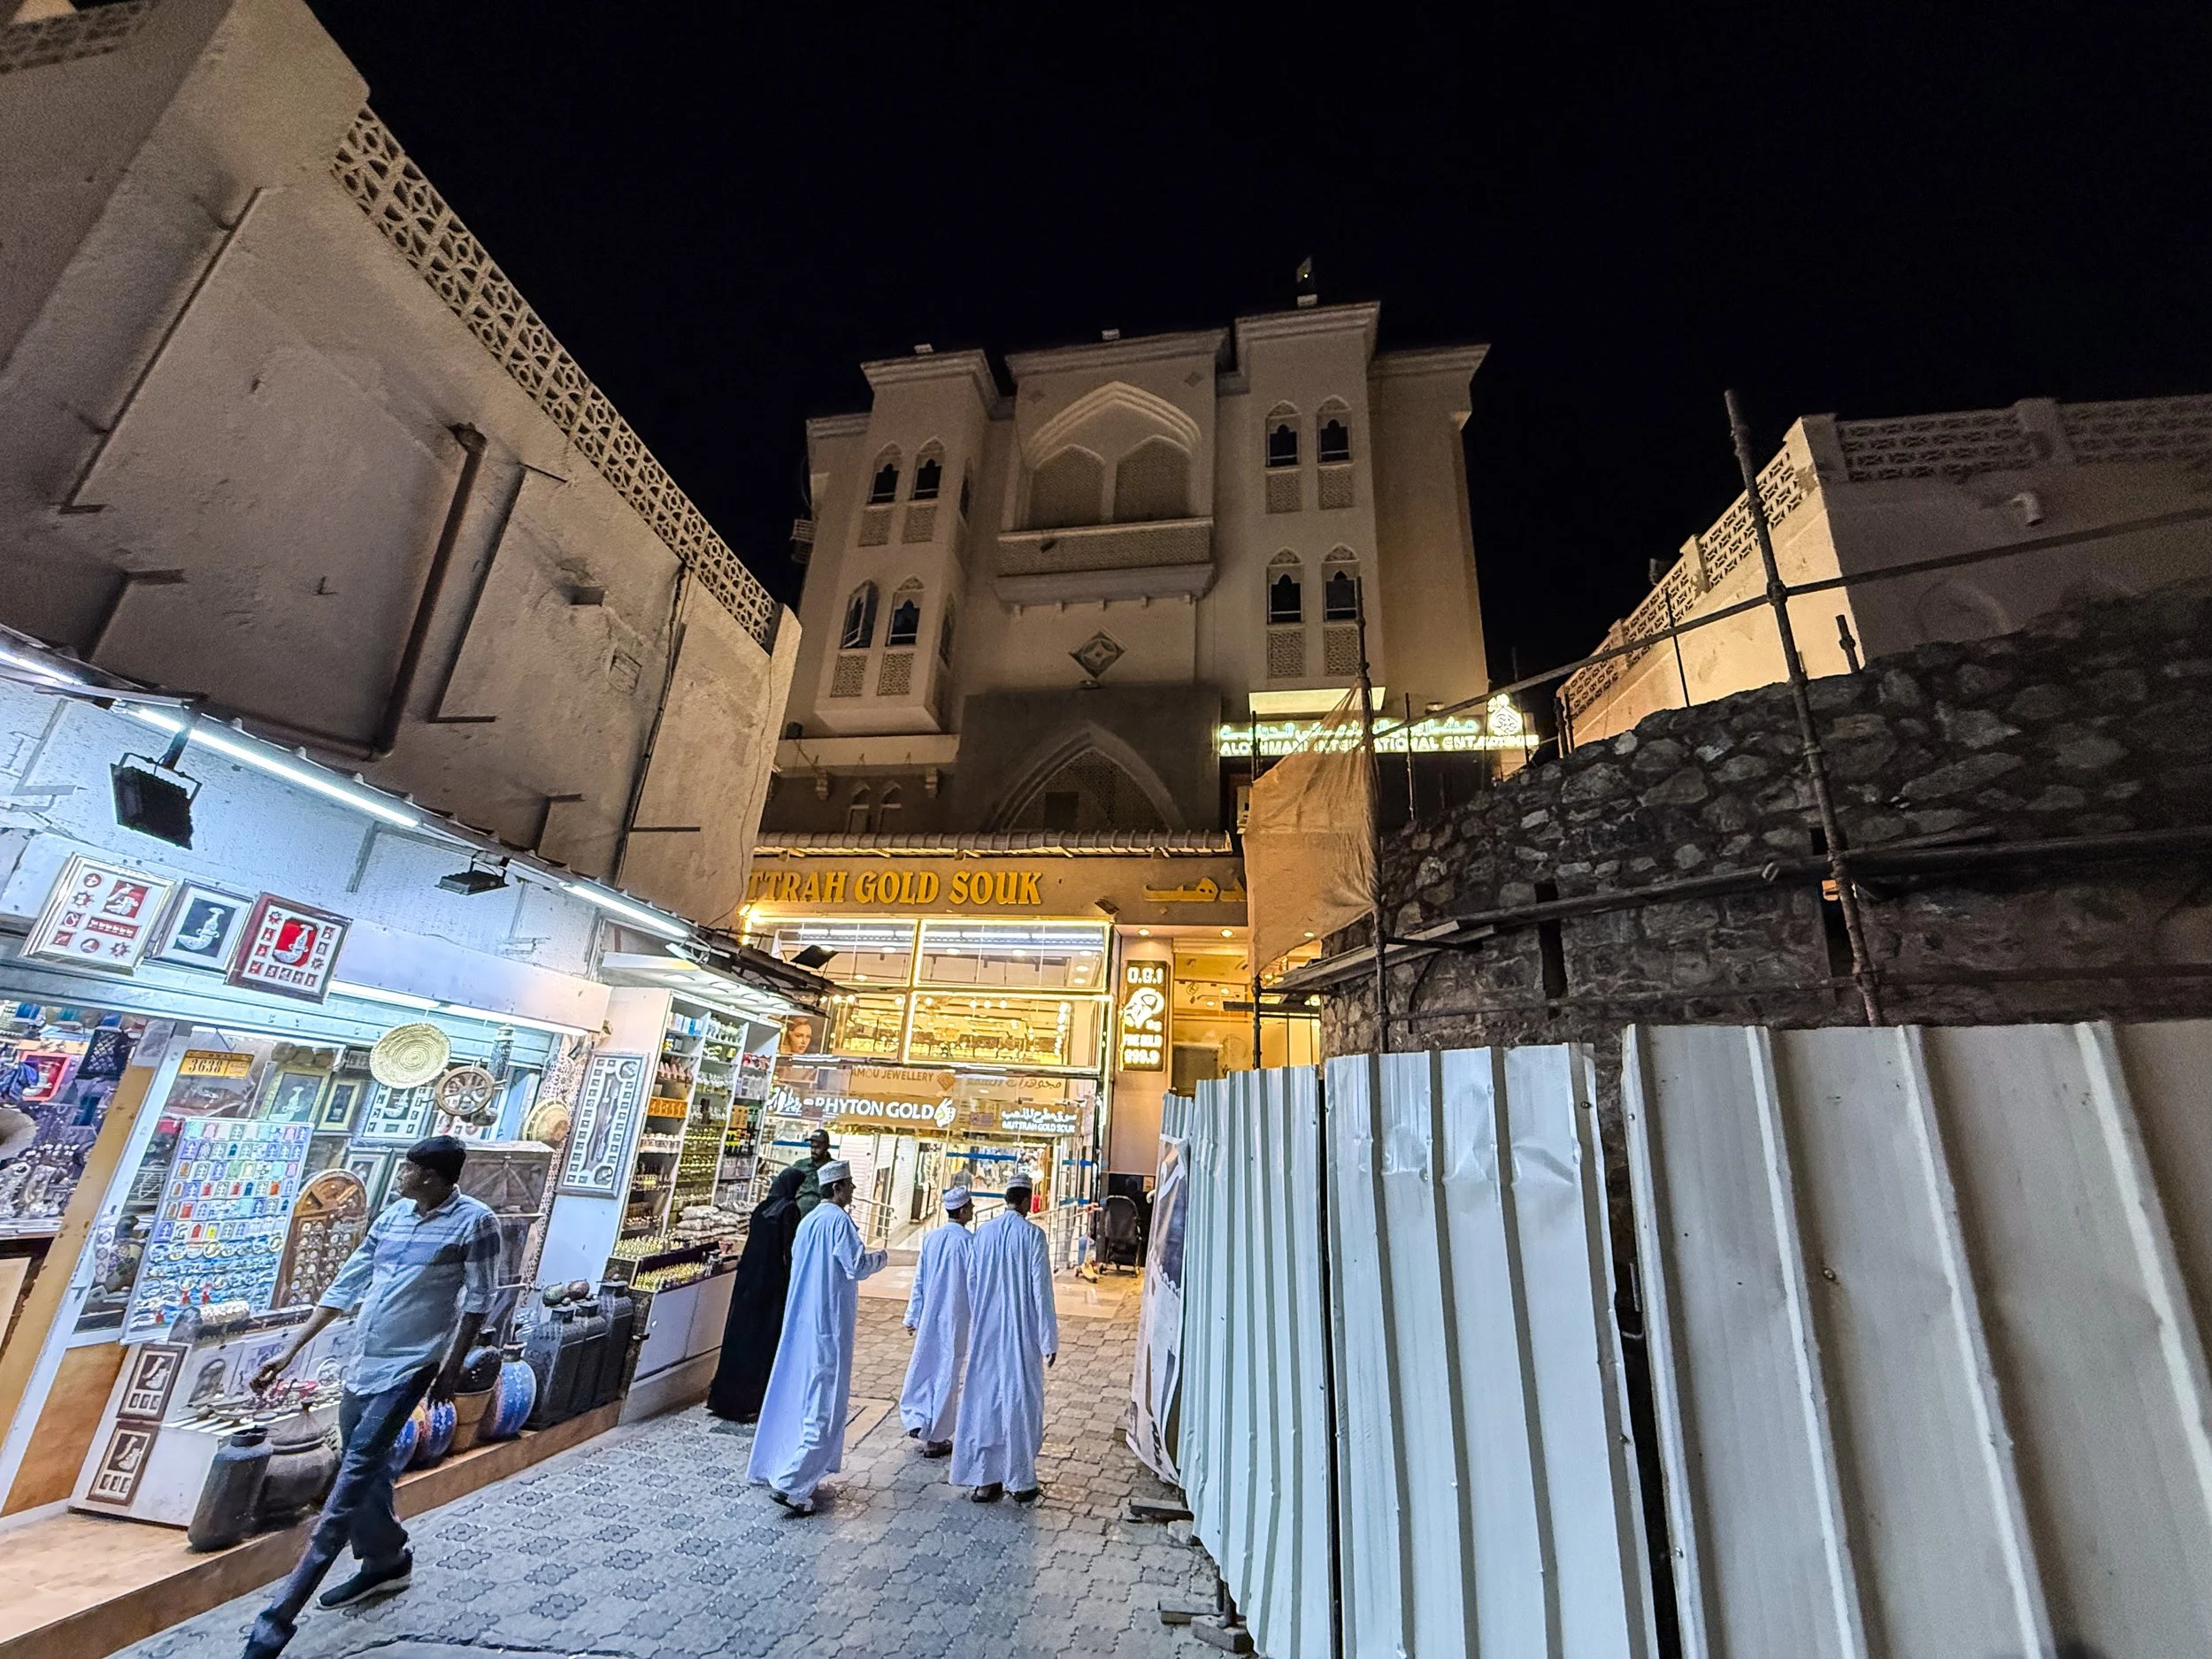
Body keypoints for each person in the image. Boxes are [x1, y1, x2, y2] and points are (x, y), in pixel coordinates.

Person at [238, 1136, 499, 1659]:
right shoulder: (393, 1218)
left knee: (351, 1479)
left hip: (412, 1365)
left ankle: (274, 1624)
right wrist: (289, 1352)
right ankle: (386, 1561)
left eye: (408, 1169)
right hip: (364, 1362)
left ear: (430, 1176)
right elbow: (346, 1284)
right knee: (364, 1468)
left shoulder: (476, 1222)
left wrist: (450, 1367)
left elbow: (479, 1299)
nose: (401, 1176)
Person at [746, 1158, 886, 1516]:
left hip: (805, 1323)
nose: (853, 1189)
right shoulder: (838, 1221)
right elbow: (855, 1265)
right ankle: (792, 1483)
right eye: (849, 1184)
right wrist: (882, 1259)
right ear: (837, 1188)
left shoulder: (809, 1221)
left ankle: (791, 1468)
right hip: (828, 1325)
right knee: (823, 1405)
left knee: (804, 1396)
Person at [951, 1175, 1057, 1504]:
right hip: (1020, 1334)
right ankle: (1020, 1479)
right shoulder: (1033, 1236)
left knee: (984, 1402)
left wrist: (980, 1317)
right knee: (1019, 1401)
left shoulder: (983, 1234)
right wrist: (1048, 1339)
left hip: (987, 1331)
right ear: (1026, 1201)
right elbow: (1042, 1290)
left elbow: (972, 1282)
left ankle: (986, 1479)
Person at [704, 1160, 809, 1422]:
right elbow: (789, 1251)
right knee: (762, 1341)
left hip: (748, 1282)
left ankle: (726, 1398)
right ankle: (751, 1400)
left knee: (740, 1336)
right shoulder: (789, 1210)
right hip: (771, 1284)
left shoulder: (763, 1207)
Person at [898, 1187, 975, 1456]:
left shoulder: (931, 1238)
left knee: (925, 1366)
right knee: (947, 1372)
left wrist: (912, 1315)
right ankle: (936, 1437)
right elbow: (974, 1285)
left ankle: (917, 1417)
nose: (972, 1210)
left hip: (929, 1316)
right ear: (962, 1211)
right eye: (970, 1207)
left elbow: (919, 1280)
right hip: (955, 1317)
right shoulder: (969, 1243)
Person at [792, 1127, 833, 1215]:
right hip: (798, 1214)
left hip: (823, 1215)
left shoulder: (834, 1168)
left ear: (827, 1147)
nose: (813, 1151)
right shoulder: (800, 1165)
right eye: (812, 1147)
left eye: (818, 1147)